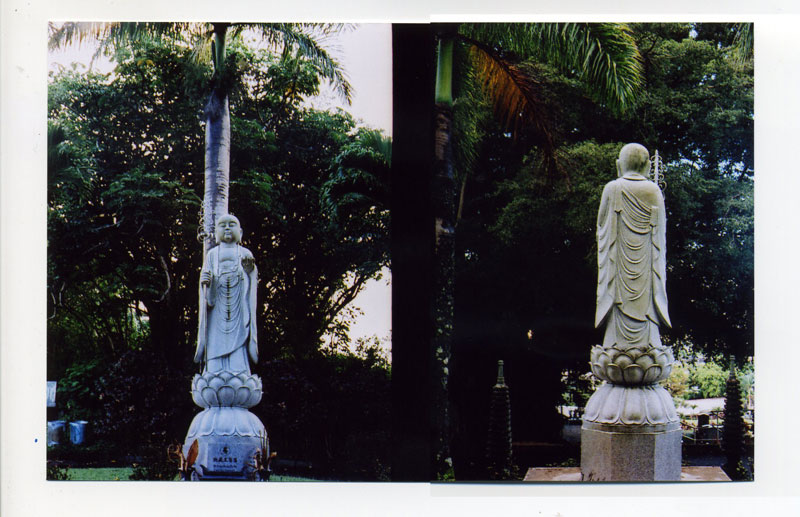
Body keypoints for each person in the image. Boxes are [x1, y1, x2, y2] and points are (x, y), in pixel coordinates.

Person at [595, 143, 671, 350]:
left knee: (612, 354)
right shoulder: (653, 190)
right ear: (647, 166)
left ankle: (615, 347)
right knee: (650, 349)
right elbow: (660, 238)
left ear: (619, 165)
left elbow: (601, 226)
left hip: (618, 269)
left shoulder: (612, 188)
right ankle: (648, 346)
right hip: (646, 271)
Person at [194, 214, 258, 373]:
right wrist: (206, 282)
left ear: (241, 233)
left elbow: (251, 279)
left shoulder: (245, 253)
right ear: (216, 233)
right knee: (214, 345)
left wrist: (250, 272)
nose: (227, 228)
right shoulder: (212, 255)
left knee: (238, 353)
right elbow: (206, 288)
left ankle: (239, 372)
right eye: (223, 225)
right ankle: (213, 371)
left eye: (232, 224)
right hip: (217, 308)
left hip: (238, 309)